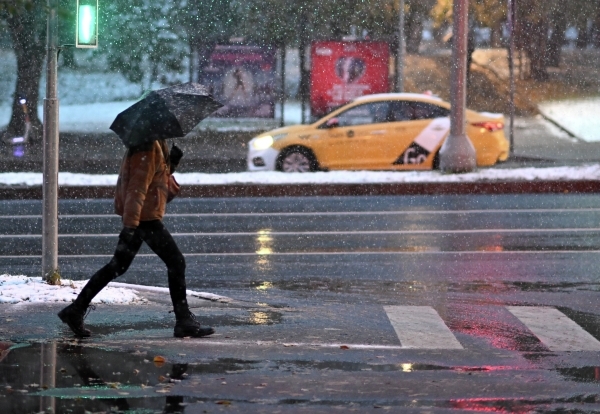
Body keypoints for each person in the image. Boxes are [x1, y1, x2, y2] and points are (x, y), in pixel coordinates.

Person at [58, 139, 215, 339]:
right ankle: (183, 321)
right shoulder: (147, 147)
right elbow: (137, 189)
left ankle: (76, 310)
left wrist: (171, 164)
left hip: (144, 217)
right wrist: (130, 227)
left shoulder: (155, 144)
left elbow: (154, 184)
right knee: (176, 262)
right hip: (144, 219)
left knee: (117, 266)